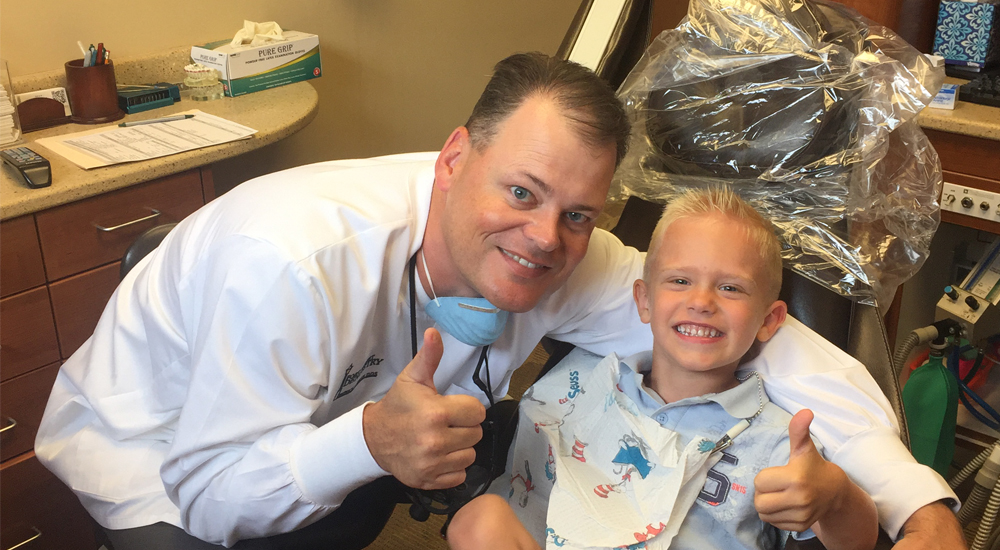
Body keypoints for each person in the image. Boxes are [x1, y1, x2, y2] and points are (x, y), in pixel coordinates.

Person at [34, 52, 961, 550]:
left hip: (349, 433)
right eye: (520, 193)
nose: (543, 240)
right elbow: (211, 495)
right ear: (451, 160)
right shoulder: (292, 261)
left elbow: (765, 342)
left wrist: (917, 504)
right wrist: (367, 440)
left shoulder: (563, 254)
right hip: (164, 459)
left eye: (576, 213)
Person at [447, 188, 879, 550]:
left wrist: (837, 497)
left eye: (730, 287)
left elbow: (857, 541)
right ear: (644, 301)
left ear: (769, 319)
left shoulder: (777, 441)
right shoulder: (580, 379)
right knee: (480, 520)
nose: (702, 301)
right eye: (679, 280)